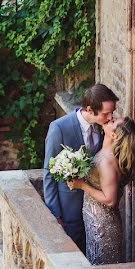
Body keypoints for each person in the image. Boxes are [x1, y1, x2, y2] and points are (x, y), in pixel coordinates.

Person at [43, 84, 118, 253]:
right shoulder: (59, 128)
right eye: (106, 113)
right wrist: (55, 215)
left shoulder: (103, 127)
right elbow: (48, 172)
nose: (110, 117)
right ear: (90, 110)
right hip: (69, 209)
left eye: (112, 112)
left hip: (96, 212)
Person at [68, 116, 135, 265]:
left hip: (102, 226)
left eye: (113, 122)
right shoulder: (106, 152)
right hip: (94, 219)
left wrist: (82, 185)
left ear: (113, 135)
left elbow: (110, 200)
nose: (110, 119)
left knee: (101, 267)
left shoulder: (108, 162)